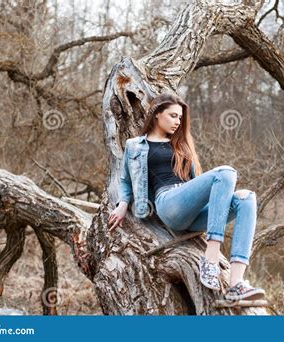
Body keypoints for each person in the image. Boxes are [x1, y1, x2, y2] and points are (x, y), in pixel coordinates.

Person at [108, 92, 265, 301]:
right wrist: (122, 203)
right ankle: (210, 260)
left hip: (191, 208)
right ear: (157, 114)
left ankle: (236, 284)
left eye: (180, 118)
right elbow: (126, 180)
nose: (178, 122)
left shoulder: (181, 145)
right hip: (168, 204)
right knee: (226, 172)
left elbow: (197, 185)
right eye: (173, 116)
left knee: (246, 198)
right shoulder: (135, 145)